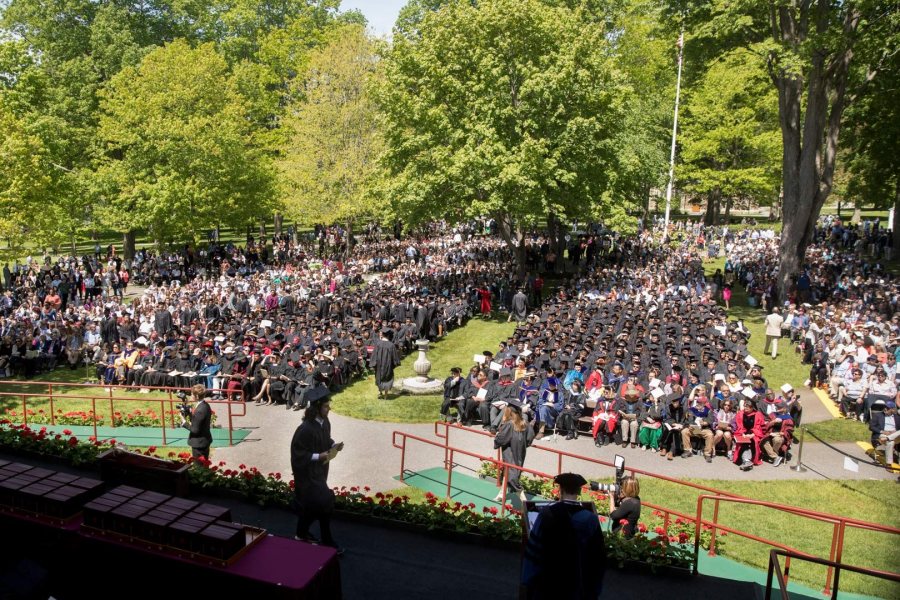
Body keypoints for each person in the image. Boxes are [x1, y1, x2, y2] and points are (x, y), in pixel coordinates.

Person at [521, 472, 606, 600]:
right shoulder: (590, 520)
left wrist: (528, 580)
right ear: (578, 491)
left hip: (549, 582)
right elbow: (597, 557)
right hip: (578, 584)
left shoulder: (547, 514)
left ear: (560, 490)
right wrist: (594, 589)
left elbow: (534, 550)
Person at [290, 390, 345, 553]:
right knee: (325, 502)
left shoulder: (325, 422)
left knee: (313, 506)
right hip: (307, 475)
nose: (329, 409)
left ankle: (300, 533)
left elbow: (326, 439)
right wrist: (317, 456)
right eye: (326, 406)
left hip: (320, 471)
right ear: (317, 407)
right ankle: (327, 540)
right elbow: (297, 454)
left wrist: (333, 446)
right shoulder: (305, 429)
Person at [493, 400, 535, 504]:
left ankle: (525, 502)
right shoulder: (525, 423)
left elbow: (501, 439)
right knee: (509, 473)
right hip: (520, 454)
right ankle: (501, 494)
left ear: (509, 411)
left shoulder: (509, 425)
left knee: (512, 477)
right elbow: (530, 438)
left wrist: (497, 435)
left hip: (510, 454)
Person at [180, 383, 212, 460]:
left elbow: (195, 430)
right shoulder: (205, 405)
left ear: (197, 396)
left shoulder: (200, 410)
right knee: (204, 466)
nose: (190, 396)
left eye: (192, 394)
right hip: (204, 440)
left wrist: (184, 421)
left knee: (199, 467)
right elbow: (199, 421)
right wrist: (191, 414)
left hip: (199, 444)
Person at [372, 328, 400, 399]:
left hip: (379, 365)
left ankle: (380, 391)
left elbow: (374, 355)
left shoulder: (378, 344)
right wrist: (394, 364)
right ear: (388, 336)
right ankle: (386, 395)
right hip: (388, 365)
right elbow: (395, 358)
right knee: (388, 378)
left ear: (383, 335)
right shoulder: (391, 345)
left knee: (379, 377)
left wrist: (373, 364)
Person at [869, 400, 898, 467]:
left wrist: (895, 431)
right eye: (885, 407)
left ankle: (888, 438)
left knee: (893, 437)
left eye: (887, 408)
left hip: (894, 435)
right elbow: (871, 427)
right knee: (890, 442)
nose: (885, 409)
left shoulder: (897, 417)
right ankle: (889, 464)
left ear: (893, 410)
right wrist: (883, 431)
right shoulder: (878, 415)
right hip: (883, 435)